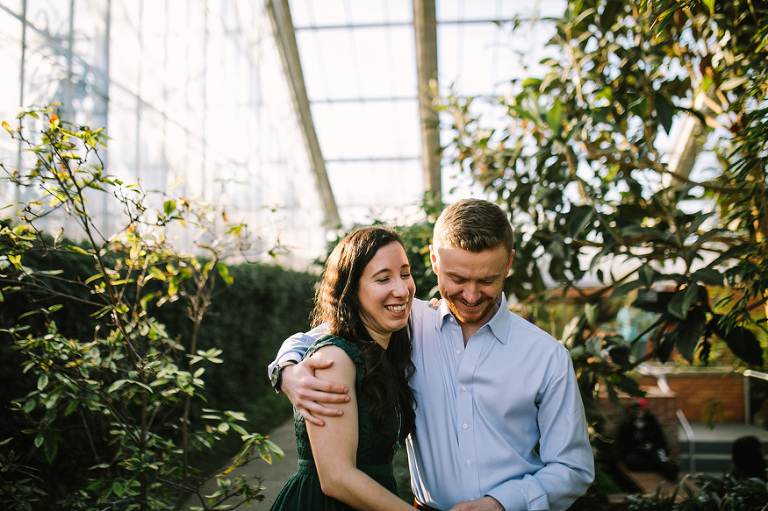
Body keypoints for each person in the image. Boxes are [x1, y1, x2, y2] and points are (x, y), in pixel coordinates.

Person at [269, 199, 595, 511]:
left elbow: (572, 467)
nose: (470, 295)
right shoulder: (403, 323)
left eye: (486, 280)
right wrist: (285, 371)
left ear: (508, 264)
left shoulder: (548, 356)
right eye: (456, 279)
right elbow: (324, 335)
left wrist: (502, 503)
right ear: (434, 261)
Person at [269, 226, 419, 511]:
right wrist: (283, 370)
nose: (401, 289)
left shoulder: (385, 346)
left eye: (405, 273)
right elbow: (336, 477)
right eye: (383, 278)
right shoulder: (334, 360)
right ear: (351, 291)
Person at [615, 398, 679, 482]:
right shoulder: (627, 424)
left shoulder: (652, 422)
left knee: (662, 460)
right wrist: (638, 447)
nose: (638, 413)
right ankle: (655, 466)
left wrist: (652, 446)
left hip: (653, 450)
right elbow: (623, 443)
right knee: (631, 462)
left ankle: (669, 472)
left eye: (640, 411)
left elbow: (661, 440)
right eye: (636, 411)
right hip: (636, 453)